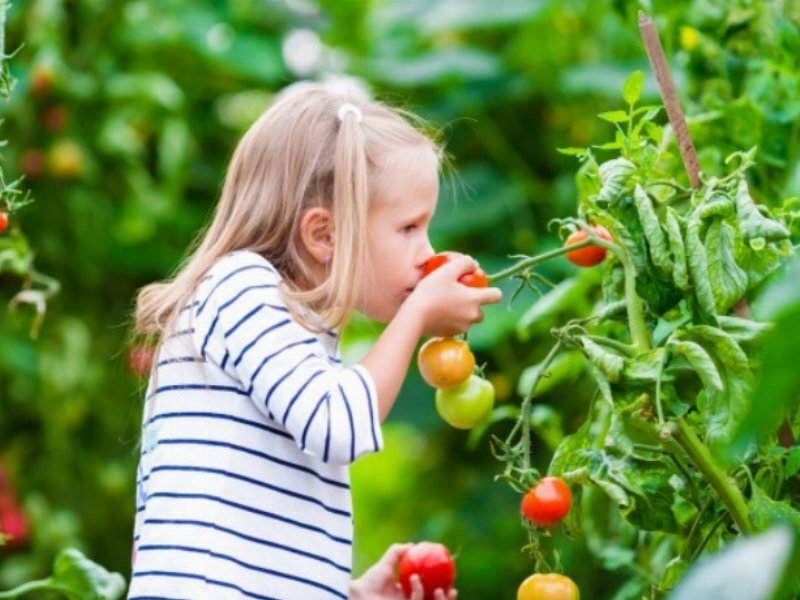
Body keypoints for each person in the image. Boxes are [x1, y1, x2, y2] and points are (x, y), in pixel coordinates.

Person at [128, 84, 502, 600]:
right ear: (323, 235)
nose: (427, 252)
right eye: (410, 227)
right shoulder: (241, 288)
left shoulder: (295, 331)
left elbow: (262, 545)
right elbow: (336, 425)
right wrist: (416, 315)